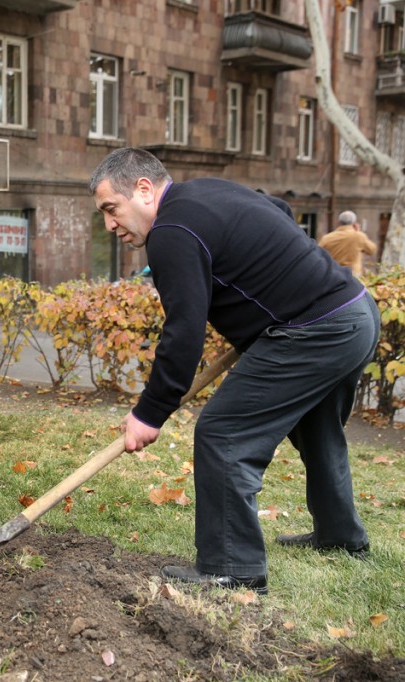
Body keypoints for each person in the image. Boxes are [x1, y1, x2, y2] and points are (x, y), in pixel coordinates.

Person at [88, 148, 380, 594]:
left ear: (143, 190)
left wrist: (150, 413)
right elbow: (277, 208)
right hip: (355, 313)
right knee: (317, 430)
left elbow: (183, 333)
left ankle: (232, 568)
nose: (110, 225)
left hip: (315, 329)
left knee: (223, 435)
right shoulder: (206, 191)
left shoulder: (171, 232)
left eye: (112, 209)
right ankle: (341, 537)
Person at [317, 210, 377, 277]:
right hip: (353, 274)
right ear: (354, 223)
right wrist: (358, 232)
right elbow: (372, 250)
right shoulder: (359, 236)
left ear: (339, 222)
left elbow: (318, 254)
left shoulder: (327, 238)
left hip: (333, 273)